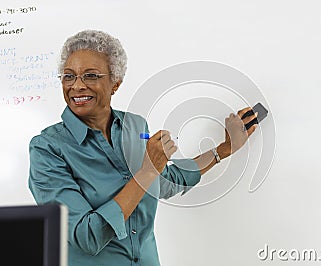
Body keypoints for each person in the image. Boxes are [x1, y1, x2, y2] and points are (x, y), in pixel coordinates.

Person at [28, 29, 258, 266]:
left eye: (91, 76)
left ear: (115, 83)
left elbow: (164, 180)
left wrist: (224, 149)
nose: (77, 86)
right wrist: (147, 170)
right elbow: (86, 236)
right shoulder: (47, 148)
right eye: (69, 76)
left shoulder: (135, 125)